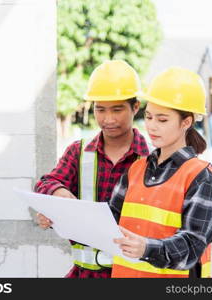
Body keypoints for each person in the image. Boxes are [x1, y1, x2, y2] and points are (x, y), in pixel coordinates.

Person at [34, 60, 150, 278]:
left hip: (134, 275)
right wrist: (58, 199)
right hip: (85, 275)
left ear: (135, 107)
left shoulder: (155, 158)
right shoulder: (79, 153)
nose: (108, 119)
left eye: (117, 110)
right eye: (100, 109)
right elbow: (45, 183)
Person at [109, 67, 212, 278]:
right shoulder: (136, 169)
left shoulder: (201, 177)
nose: (152, 126)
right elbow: (108, 224)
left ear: (186, 122)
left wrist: (146, 248)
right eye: (148, 117)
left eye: (162, 120)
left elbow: (192, 245)